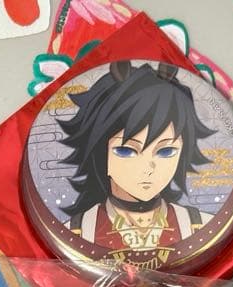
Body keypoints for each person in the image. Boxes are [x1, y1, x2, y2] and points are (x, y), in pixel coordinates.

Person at [59, 61, 217, 271]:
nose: (148, 168)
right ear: (99, 154)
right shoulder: (76, 232)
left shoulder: (201, 225)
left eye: (166, 151)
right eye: (126, 151)